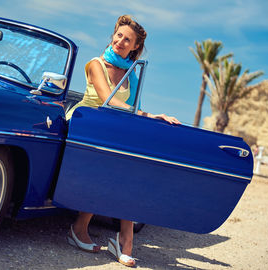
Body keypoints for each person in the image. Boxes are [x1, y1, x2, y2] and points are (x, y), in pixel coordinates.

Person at [65, 15, 181, 267]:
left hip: (112, 129)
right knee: (117, 165)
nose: (120, 41)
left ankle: (124, 238)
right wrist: (145, 114)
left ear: (135, 47)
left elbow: (128, 107)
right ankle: (83, 229)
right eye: (118, 35)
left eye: (127, 39)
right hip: (87, 122)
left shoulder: (131, 74)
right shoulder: (96, 64)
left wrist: (155, 119)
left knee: (133, 164)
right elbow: (108, 99)